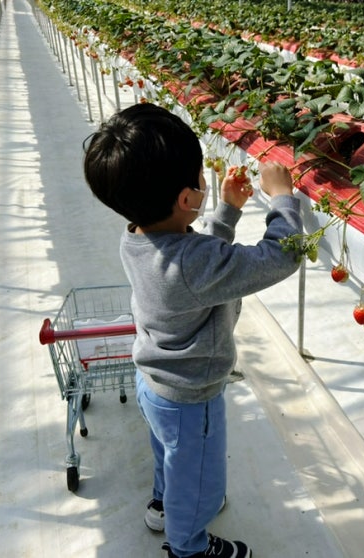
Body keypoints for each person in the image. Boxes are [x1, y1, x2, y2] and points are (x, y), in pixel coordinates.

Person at [82, 102, 303, 558]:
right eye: (202, 177)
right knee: (198, 480)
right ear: (187, 199)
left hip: (154, 381)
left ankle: (164, 504)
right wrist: (282, 198)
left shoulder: (136, 235)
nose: (206, 180)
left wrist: (226, 212)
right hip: (190, 396)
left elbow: (200, 269)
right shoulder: (192, 264)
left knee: (172, 457)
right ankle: (188, 547)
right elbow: (282, 256)